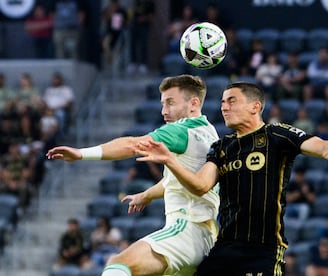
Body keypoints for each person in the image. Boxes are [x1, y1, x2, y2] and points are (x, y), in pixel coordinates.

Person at [134, 81, 328, 275]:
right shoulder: (222, 147)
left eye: (231, 101)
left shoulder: (278, 135)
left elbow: (325, 148)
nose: (224, 107)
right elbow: (200, 186)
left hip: (263, 250)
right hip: (225, 248)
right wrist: (170, 161)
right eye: (222, 102)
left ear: (255, 106)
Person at [46, 75, 220, 276]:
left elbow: (132, 145)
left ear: (194, 103)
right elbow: (180, 180)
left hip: (187, 229)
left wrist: (81, 154)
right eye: (163, 104)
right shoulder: (210, 132)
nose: (164, 111)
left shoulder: (180, 130)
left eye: (170, 103)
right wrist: (146, 195)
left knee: (118, 263)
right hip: (204, 236)